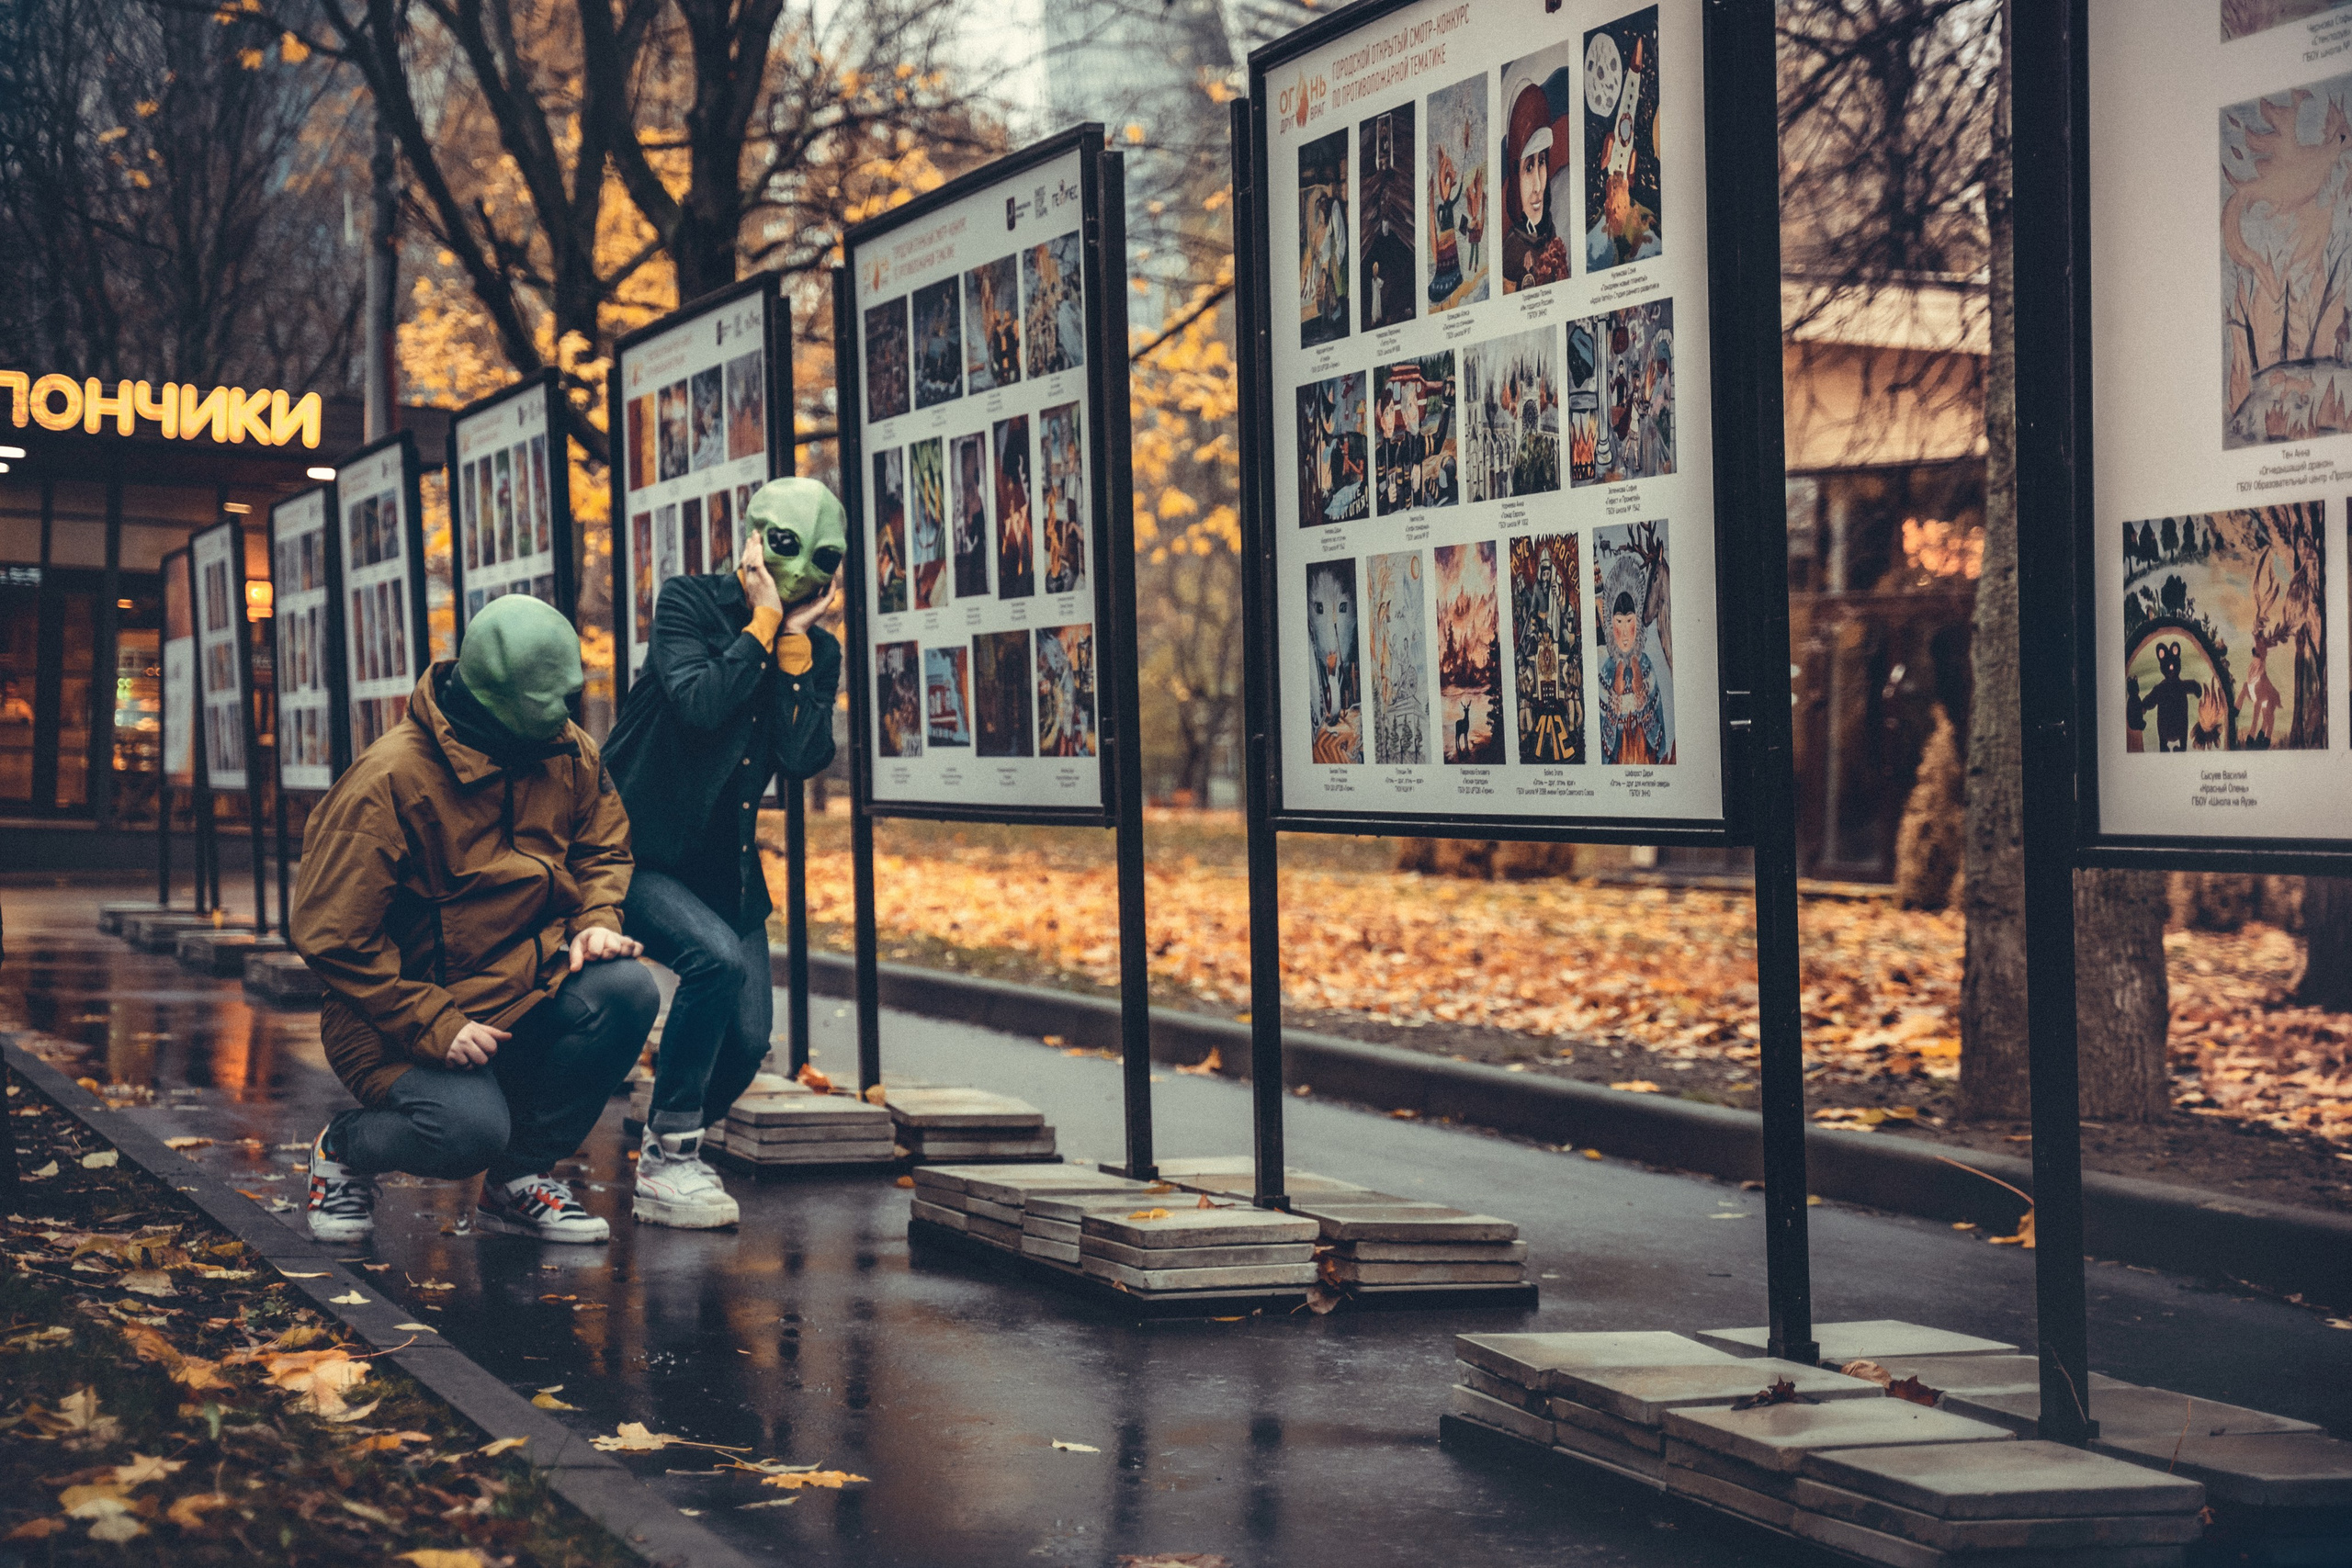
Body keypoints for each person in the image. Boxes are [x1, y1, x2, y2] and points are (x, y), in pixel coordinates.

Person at [293, 594, 653, 1245]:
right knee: (466, 1131)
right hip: (392, 1015)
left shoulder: (562, 749)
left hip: (517, 986)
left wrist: (597, 916)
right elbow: (331, 935)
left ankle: (517, 1178)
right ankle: (344, 1148)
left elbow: (603, 841)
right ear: (497, 703)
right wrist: (435, 1022)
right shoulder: (388, 779)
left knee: (626, 990)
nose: (565, 725)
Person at [604, 477, 844, 1228]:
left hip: (723, 866)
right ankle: (672, 1156)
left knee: (746, 1040)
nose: (804, 566)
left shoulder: (814, 650)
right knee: (715, 959)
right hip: (636, 849)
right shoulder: (685, 604)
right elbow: (701, 701)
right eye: (785, 545)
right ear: (752, 540)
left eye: (824, 557)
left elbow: (805, 755)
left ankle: (666, 1141)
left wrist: (794, 644)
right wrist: (762, 624)